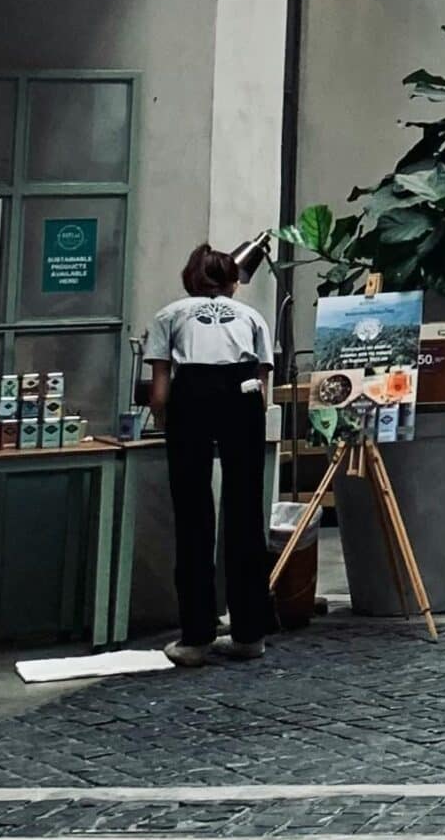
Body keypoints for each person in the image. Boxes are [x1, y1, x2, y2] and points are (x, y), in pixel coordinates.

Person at [146, 244, 277, 665]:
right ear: (233, 280)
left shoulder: (170, 314)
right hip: (243, 397)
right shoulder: (253, 317)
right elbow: (263, 386)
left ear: (191, 279)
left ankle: (196, 637)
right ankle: (249, 634)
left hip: (192, 398)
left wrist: (165, 422)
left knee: (193, 513)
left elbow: (160, 391)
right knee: (245, 513)